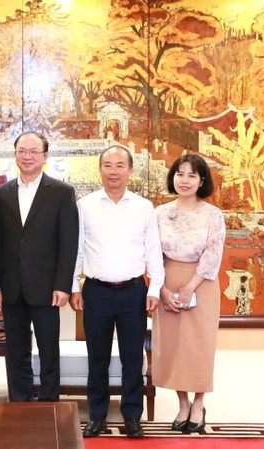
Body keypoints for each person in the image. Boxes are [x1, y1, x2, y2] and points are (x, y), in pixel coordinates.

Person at [70, 146, 164, 438]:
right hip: (96, 291)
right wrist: (74, 285)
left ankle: (132, 416)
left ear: (130, 170)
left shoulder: (143, 207)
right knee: (96, 357)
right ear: (100, 170)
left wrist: (156, 288)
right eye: (108, 165)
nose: (114, 171)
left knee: (132, 357)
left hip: (133, 292)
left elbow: (153, 252)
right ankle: (97, 415)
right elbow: (76, 250)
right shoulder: (85, 205)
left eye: (120, 166)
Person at [0, 132, 79, 402]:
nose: (27, 156)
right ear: (15, 154)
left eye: (33, 151)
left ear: (45, 156)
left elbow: (69, 242)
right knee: (16, 351)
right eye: (21, 150)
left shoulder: (62, 193)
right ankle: (20, 402)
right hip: (10, 287)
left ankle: (50, 404)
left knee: (48, 350)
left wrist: (63, 285)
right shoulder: (0, 194)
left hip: (47, 288)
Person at [153, 153, 225, 432]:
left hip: (202, 283)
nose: (184, 180)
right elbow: (151, 254)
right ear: (173, 177)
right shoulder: (160, 213)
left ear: (202, 181)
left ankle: (198, 403)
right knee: (172, 346)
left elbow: (213, 253)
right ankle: (182, 403)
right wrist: (163, 288)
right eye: (180, 174)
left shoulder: (213, 215)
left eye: (192, 175)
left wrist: (190, 287)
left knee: (198, 345)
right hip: (166, 283)